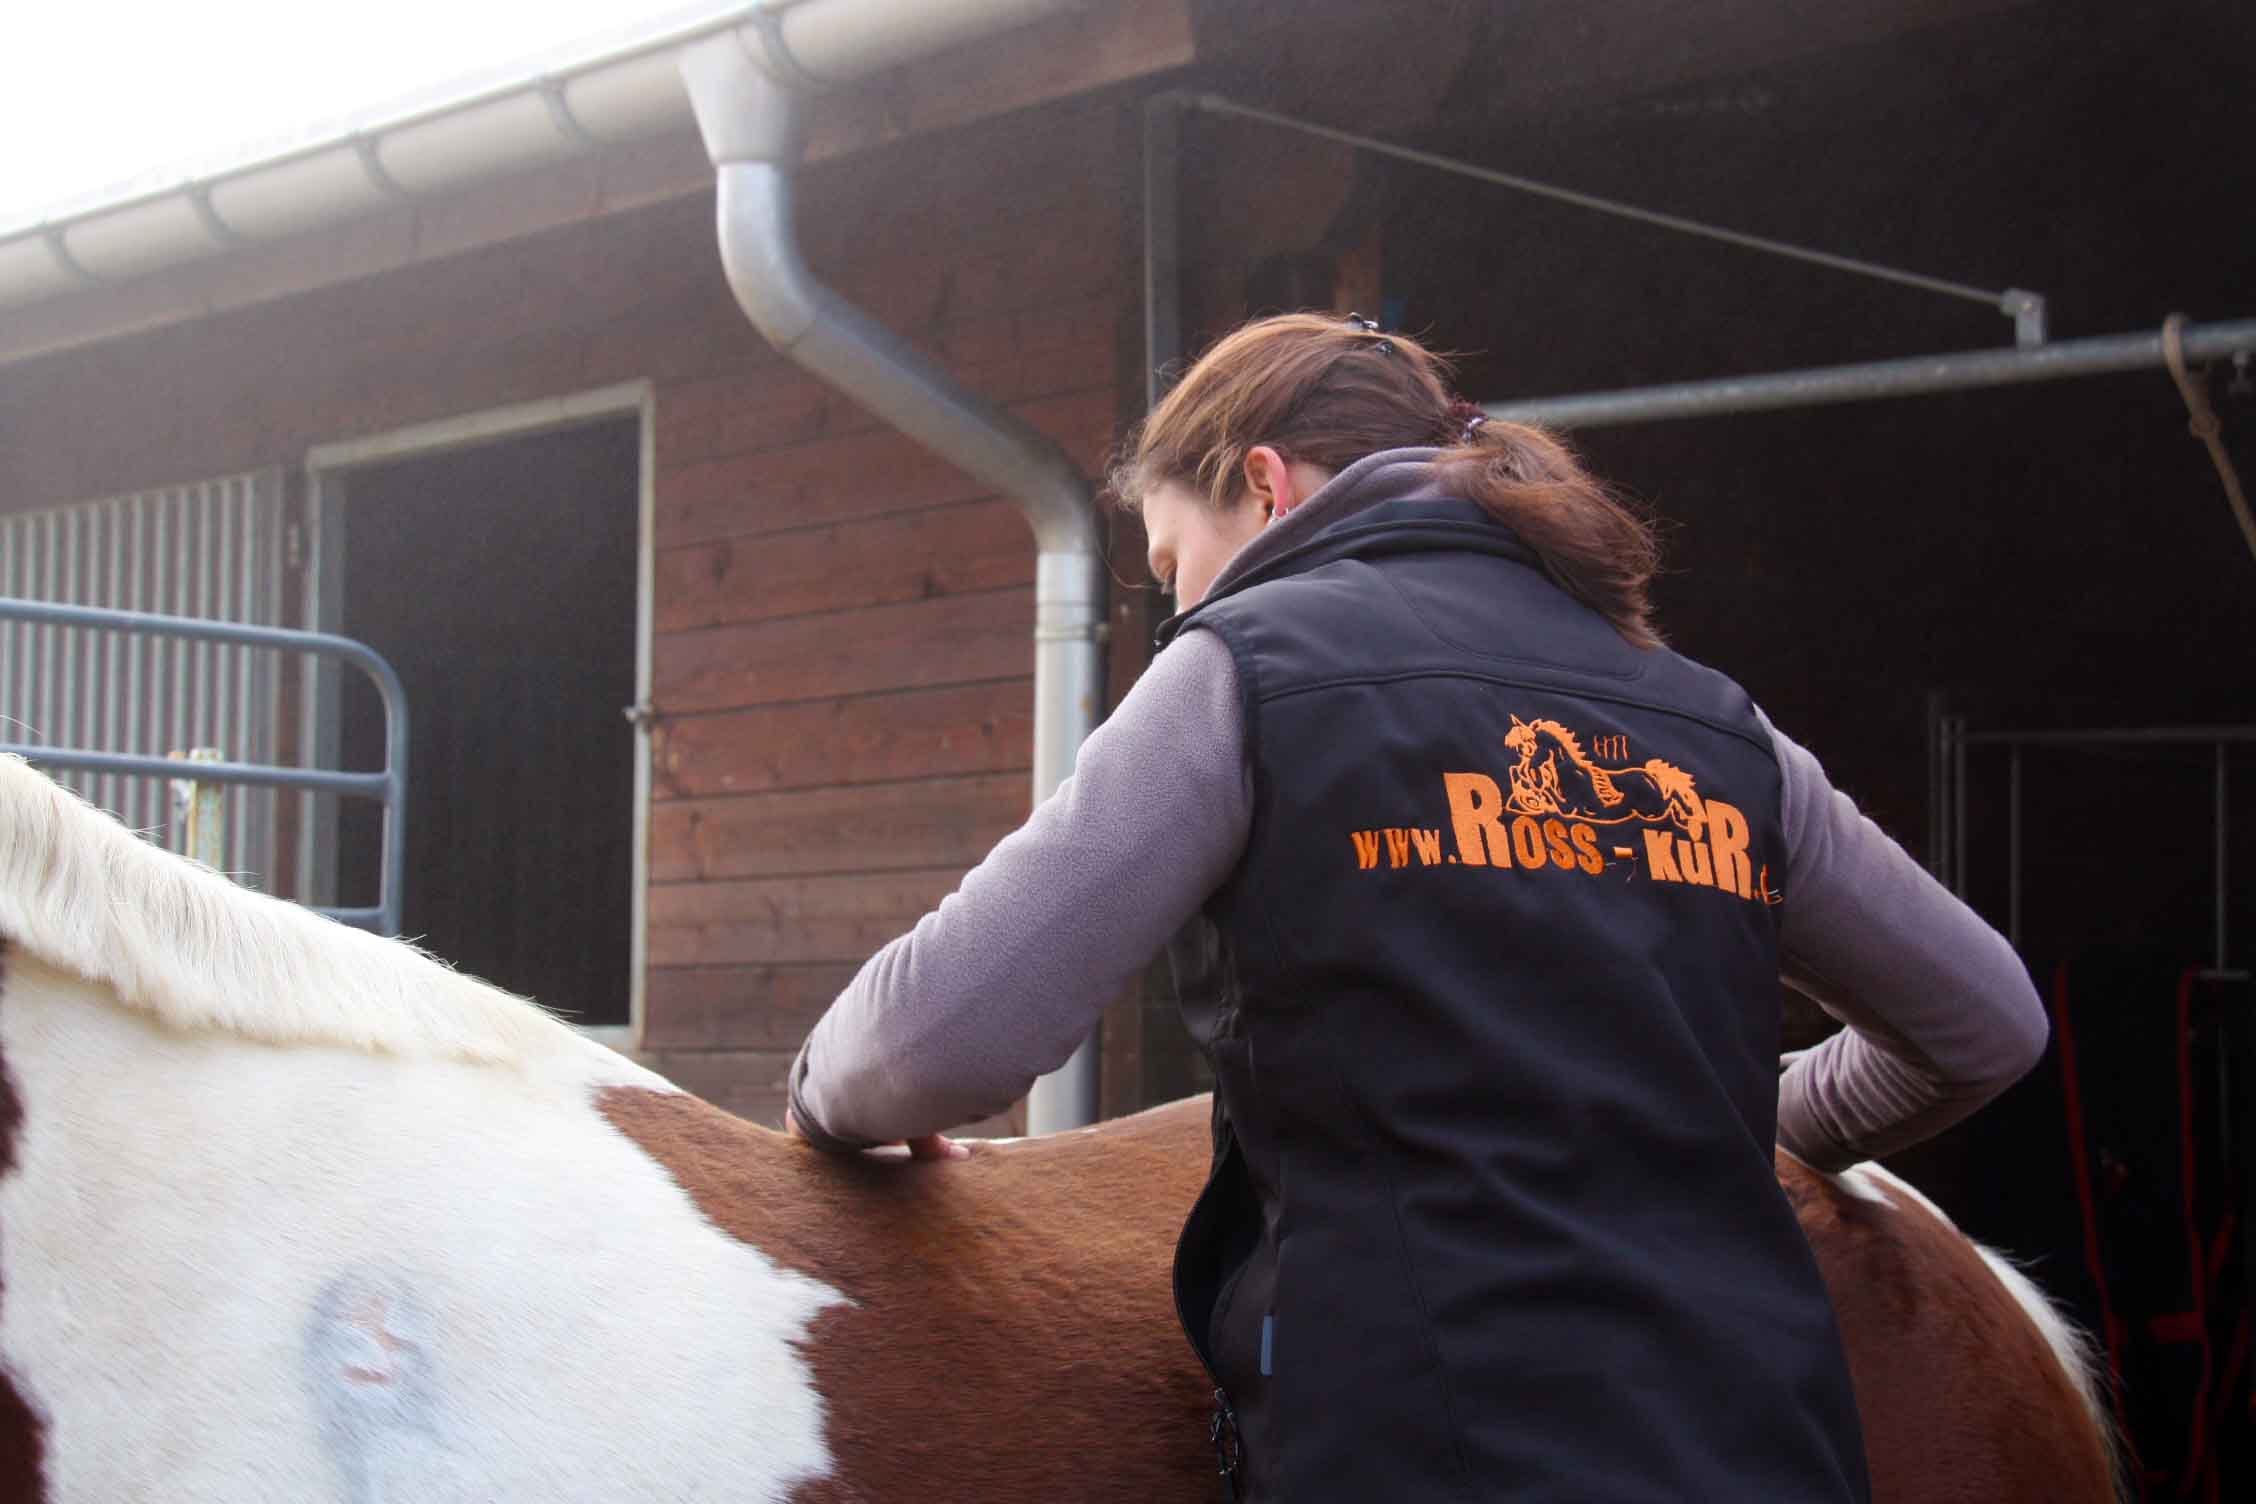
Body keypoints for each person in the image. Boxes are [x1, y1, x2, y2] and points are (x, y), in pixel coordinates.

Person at [782, 312, 2049, 1502]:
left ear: (1267, 485)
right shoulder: (1714, 722)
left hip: (1427, 1444)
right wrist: (1748, 1123)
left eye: (1173, 563)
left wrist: (819, 1094)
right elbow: (1986, 1022)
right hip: (1767, 1443)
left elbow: (929, 1042)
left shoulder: (1245, 669)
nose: (1180, 605)